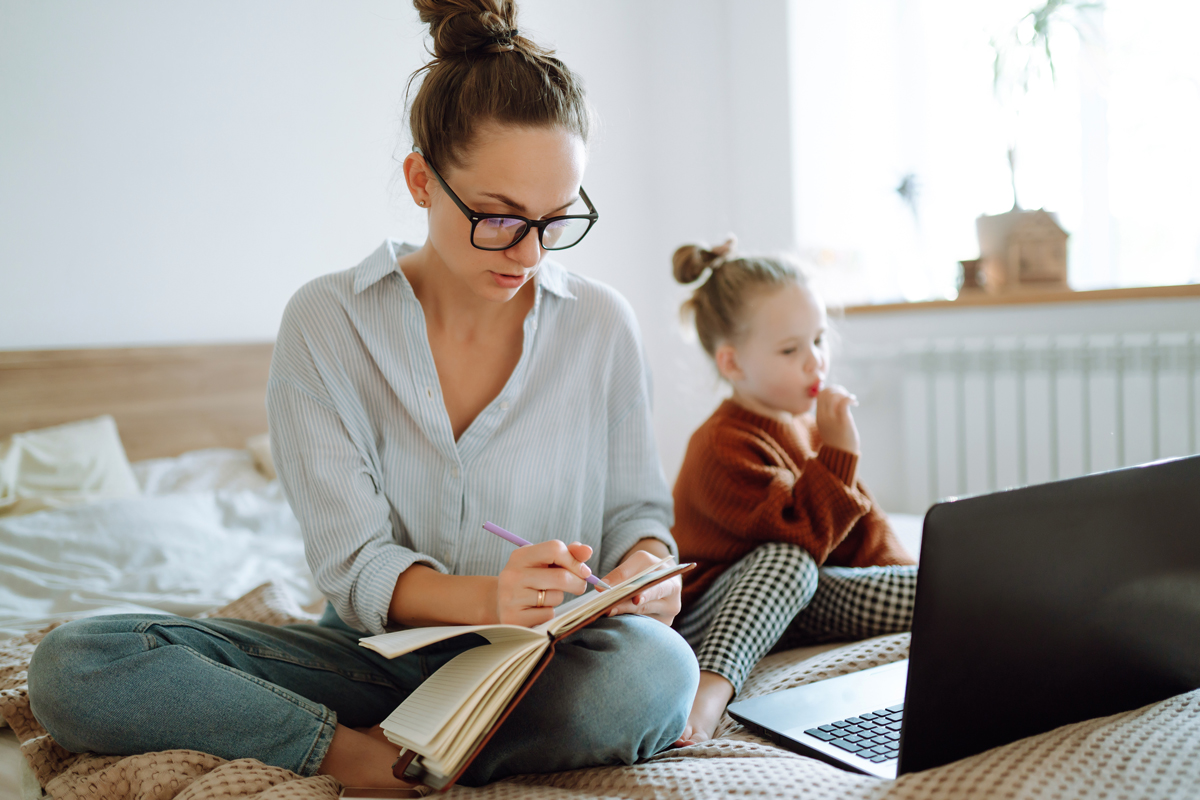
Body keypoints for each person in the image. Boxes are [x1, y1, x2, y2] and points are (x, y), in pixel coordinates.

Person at [26, 0, 697, 790]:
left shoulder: (602, 325)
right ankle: (374, 761)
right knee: (77, 664)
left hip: (544, 669)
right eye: (499, 217)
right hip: (368, 662)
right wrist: (494, 595)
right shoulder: (327, 322)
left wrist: (644, 572)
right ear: (421, 180)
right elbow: (354, 566)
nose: (528, 252)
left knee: (655, 671)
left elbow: (638, 517)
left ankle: (428, 751)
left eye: (555, 221)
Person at [668, 237, 917, 745]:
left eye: (819, 340)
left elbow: (864, 524)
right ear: (733, 364)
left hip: (799, 601)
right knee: (790, 562)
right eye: (790, 350)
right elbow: (800, 534)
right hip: (715, 608)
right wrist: (839, 456)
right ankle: (711, 690)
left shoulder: (810, 425)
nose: (815, 362)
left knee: (931, 591)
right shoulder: (722, 444)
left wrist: (900, 571)